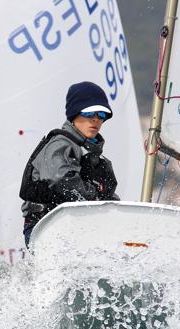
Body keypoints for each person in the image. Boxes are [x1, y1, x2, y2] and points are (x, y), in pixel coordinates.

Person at [19, 81, 119, 247]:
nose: (95, 120)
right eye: (89, 113)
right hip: (46, 225)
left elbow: (107, 196)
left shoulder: (97, 158)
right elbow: (62, 180)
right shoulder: (60, 144)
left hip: (78, 227)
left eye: (102, 115)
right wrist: (94, 198)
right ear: (74, 114)